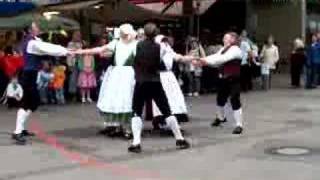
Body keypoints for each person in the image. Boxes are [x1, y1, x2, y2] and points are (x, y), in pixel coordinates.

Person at [128, 23, 190, 153]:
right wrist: (191, 58)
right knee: (167, 110)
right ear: (156, 34)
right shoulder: (161, 47)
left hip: (140, 82)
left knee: (136, 111)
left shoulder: (136, 46)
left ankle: (136, 142)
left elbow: (133, 60)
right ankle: (180, 139)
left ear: (144, 33)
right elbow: (176, 57)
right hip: (155, 81)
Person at [74, 24, 137, 138]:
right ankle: (118, 126)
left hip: (128, 76)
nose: (126, 36)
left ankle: (127, 128)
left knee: (127, 100)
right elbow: (99, 49)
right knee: (116, 100)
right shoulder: (116, 43)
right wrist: (82, 52)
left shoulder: (135, 45)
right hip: (117, 75)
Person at [12, 22, 70, 145]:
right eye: (36, 27)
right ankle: (17, 132)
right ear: (29, 30)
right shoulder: (32, 43)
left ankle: (20, 129)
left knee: (32, 103)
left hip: (30, 75)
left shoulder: (33, 40)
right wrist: (65, 51)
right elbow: (47, 48)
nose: (38, 28)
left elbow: (45, 48)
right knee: (28, 103)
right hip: (28, 75)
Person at [197, 32, 244, 134]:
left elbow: (222, 59)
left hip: (233, 79)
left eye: (226, 38)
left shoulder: (235, 50)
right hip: (224, 78)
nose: (223, 39)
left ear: (233, 40)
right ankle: (220, 118)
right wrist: (201, 60)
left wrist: (204, 61)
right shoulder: (224, 49)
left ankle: (239, 125)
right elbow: (215, 57)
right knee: (220, 98)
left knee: (234, 99)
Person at [151, 34, 191, 131]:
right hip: (159, 77)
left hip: (170, 77)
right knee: (162, 99)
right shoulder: (155, 50)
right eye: (162, 41)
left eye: (165, 41)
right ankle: (162, 121)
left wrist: (191, 58)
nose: (165, 43)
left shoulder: (168, 49)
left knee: (175, 98)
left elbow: (178, 57)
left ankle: (175, 121)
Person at [66, 31, 83, 102]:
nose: (78, 37)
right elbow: (69, 55)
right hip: (73, 64)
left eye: (79, 35)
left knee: (80, 79)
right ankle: (73, 95)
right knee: (73, 79)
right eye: (77, 35)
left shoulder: (81, 44)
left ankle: (80, 95)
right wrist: (69, 64)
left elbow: (81, 53)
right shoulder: (70, 44)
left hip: (80, 63)